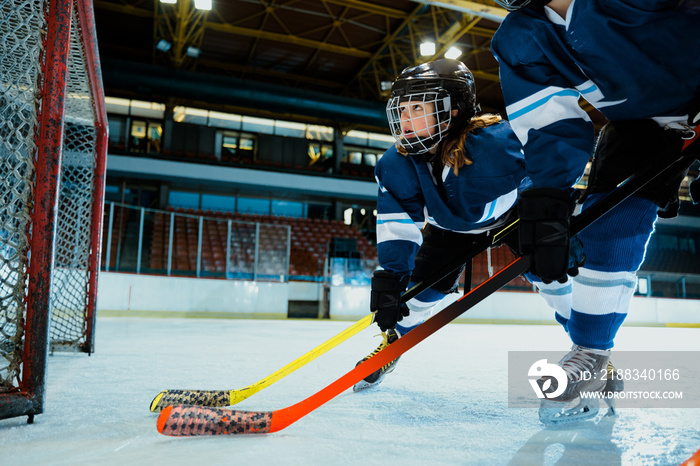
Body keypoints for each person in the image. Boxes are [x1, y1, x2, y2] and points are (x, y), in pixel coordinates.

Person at [491, 0, 700, 423]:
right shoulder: (520, 37)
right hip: (643, 126)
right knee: (606, 225)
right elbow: (550, 125)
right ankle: (591, 353)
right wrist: (548, 192)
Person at [354, 58, 528, 391]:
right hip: (452, 229)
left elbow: (544, 166)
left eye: (417, 108)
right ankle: (394, 344)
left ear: (452, 111)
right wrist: (392, 276)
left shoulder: (497, 143)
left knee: (559, 277)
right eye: (402, 109)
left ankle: (592, 350)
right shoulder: (397, 163)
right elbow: (398, 222)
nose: (405, 118)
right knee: (415, 299)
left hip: (517, 217)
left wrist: (547, 214)